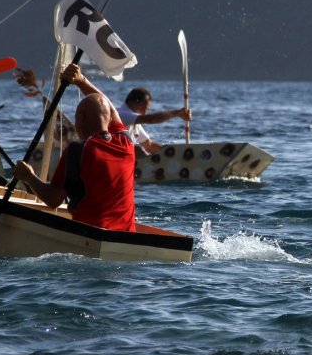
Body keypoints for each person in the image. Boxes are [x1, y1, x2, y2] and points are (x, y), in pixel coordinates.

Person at [11, 63, 136, 231]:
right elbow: (108, 108)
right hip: (126, 236)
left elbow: (53, 199)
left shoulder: (78, 150)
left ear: (81, 118)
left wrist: (28, 177)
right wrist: (81, 81)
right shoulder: (126, 143)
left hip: (89, 236)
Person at [116, 87, 191, 155]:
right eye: (143, 108)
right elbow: (151, 119)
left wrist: (173, 153)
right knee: (137, 150)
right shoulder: (121, 115)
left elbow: (149, 146)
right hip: (115, 160)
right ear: (132, 103)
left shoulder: (134, 122)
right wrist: (176, 113)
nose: (145, 113)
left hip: (125, 161)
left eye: (147, 109)